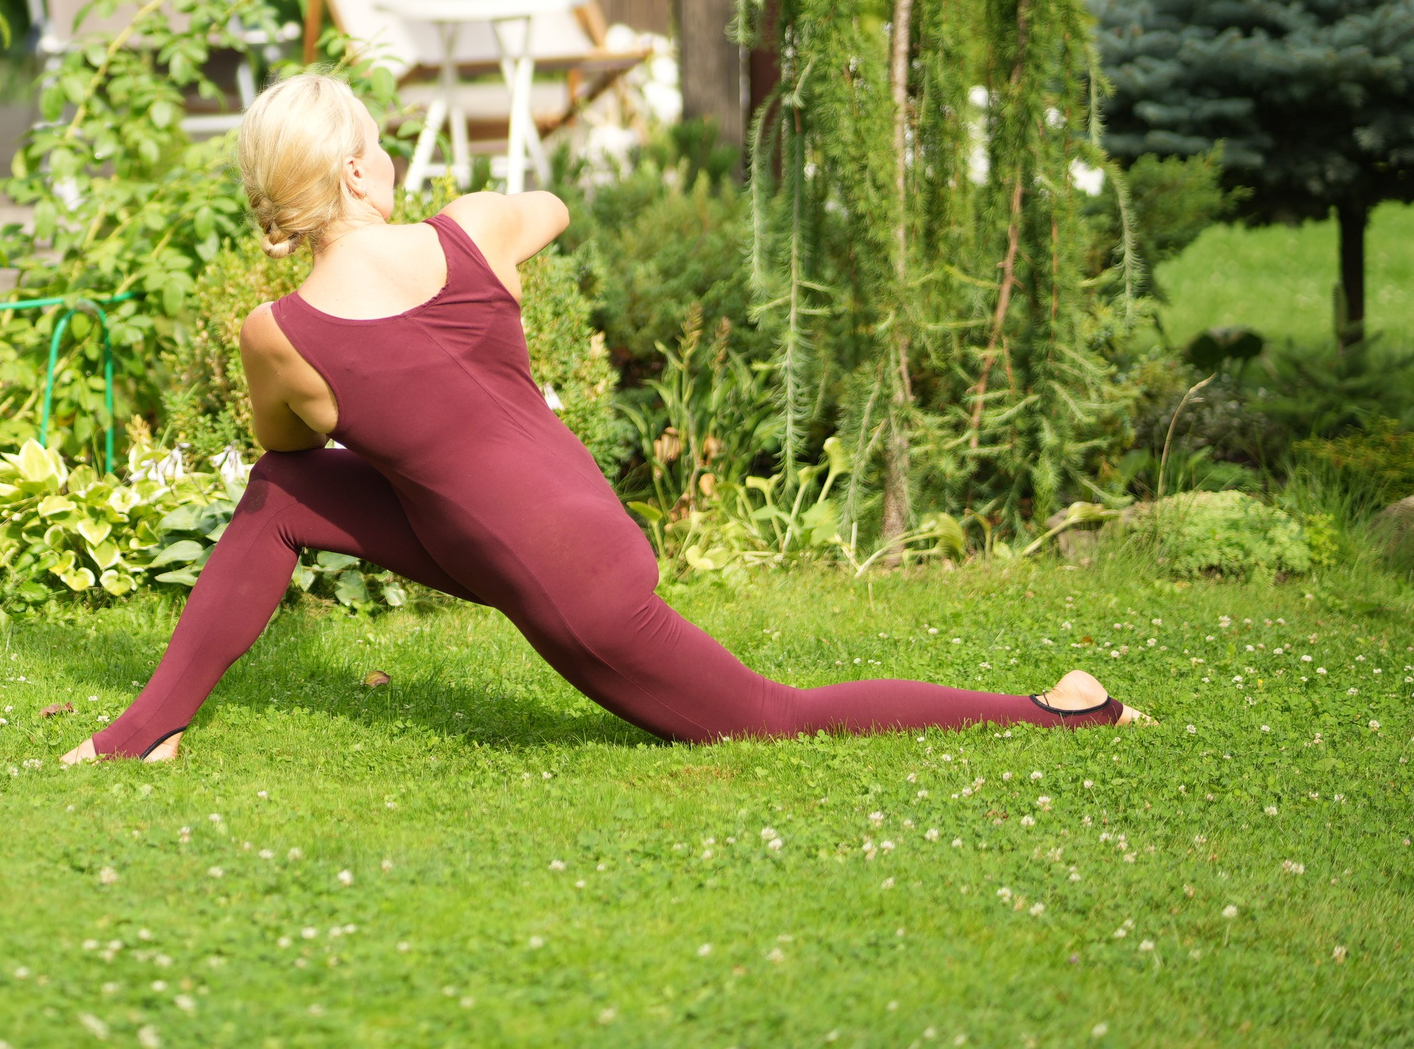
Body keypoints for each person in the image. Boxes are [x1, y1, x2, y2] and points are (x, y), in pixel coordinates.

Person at [66, 73, 1145, 764]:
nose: (388, 158)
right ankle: (148, 730)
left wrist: (382, 392)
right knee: (283, 501)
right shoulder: (476, 228)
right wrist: (482, 257)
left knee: (768, 717)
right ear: (358, 170)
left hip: (567, 584)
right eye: (378, 147)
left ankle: (1064, 713)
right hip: (562, 518)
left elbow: (292, 442)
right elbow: (551, 207)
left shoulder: (278, 330)